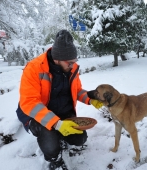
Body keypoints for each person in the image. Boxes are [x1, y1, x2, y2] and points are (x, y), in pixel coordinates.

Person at [16, 30, 103, 170]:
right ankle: (55, 160)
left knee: (80, 139)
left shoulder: (71, 68)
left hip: (62, 111)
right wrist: (56, 124)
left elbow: (77, 90)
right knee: (51, 145)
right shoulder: (34, 68)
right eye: (70, 62)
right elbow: (29, 102)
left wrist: (90, 99)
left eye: (74, 62)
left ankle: (61, 137)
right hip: (37, 115)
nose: (73, 65)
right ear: (57, 58)